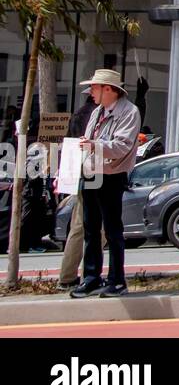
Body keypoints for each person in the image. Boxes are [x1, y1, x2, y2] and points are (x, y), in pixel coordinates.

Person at [69, 69, 141, 299]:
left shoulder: (129, 112)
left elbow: (123, 145)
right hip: (91, 172)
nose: (90, 92)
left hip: (111, 175)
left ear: (108, 89)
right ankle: (91, 277)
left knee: (112, 229)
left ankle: (117, 280)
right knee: (91, 228)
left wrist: (93, 145)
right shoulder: (97, 111)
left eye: (94, 87)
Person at [58, 92, 99, 290]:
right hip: (93, 172)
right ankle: (84, 274)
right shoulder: (94, 114)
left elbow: (70, 145)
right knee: (95, 229)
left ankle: (71, 275)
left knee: (80, 227)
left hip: (83, 173)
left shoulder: (80, 114)